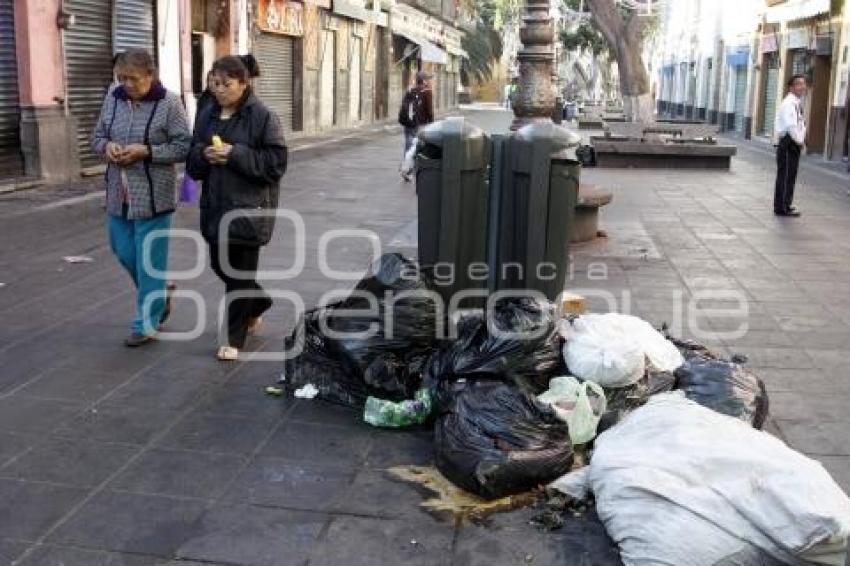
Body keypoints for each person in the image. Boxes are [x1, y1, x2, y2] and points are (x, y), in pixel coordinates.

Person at [186, 56, 288, 361]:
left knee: (240, 275)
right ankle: (258, 304)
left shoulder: (263, 117)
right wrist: (204, 155)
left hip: (249, 209)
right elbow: (191, 162)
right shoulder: (206, 115)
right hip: (216, 208)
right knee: (220, 265)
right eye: (214, 83)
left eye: (226, 84)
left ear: (244, 83)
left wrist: (236, 155)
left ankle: (234, 336)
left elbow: (275, 164)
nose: (218, 90)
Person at [91, 48, 191, 347]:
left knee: (150, 262)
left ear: (151, 75)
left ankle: (146, 323)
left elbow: (183, 145)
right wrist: (106, 146)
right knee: (121, 249)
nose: (127, 84)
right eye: (121, 78)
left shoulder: (169, 103)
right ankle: (160, 293)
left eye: (133, 78)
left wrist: (146, 151)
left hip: (153, 194)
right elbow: (96, 136)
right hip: (116, 191)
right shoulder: (113, 96)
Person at [773, 74, 807, 217]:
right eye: (798, 84)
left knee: (790, 175)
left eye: (803, 84)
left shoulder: (795, 102)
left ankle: (786, 203)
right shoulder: (789, 104)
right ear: (791, 87)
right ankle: (782, 207)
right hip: (789, 143)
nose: (802, 87)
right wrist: (800, 141)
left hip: (791, 142)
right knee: (786, 175)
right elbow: (791, 126)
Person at [398, 71, 435, 182]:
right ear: (423, 81)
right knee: (416, 148)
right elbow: (429, 111)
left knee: (408, 146)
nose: (430, 81)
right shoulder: (427, 92)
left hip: (408, 123)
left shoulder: (410, 90)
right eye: (428, 79)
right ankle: (409, 169)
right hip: (420, 124)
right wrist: (431, 124)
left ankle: (406, 167)